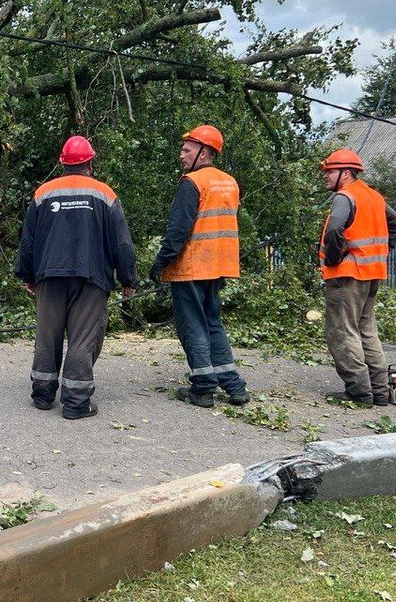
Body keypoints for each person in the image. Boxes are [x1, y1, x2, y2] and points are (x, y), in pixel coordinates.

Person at [14, 135, 138, 419]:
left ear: (62, 163)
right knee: (83, 339)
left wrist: (27, 273)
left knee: (47, 336)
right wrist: (128, 279)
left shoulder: (43, 193)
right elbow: (122, 243)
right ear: (90, 163)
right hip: (91, 279)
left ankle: (43, 395)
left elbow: (28, 240)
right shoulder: (105, 194)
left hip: (49, 276)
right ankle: (76, 402)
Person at [149, 124, 249, 408]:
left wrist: (159, 263)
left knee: (192, 326)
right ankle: (234, 385)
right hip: (218, 267)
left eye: (186, 150)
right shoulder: (229, 183)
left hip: (191, 267)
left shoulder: (191, 182)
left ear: (203, 153)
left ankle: (203, 387)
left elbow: (178, 230)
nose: (181, 155)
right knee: (212, 323)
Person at [318, 148, 396, 406]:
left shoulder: (345, 197)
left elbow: (334, 230)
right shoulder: (374, 196)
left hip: (347, 275)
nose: (326, 177)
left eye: (330, 172)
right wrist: (380, 252)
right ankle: (379, 391)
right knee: (366, 331)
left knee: (342, 332)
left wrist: (334, 259)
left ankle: (358, 391)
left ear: (345, 173)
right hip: (371, 274)